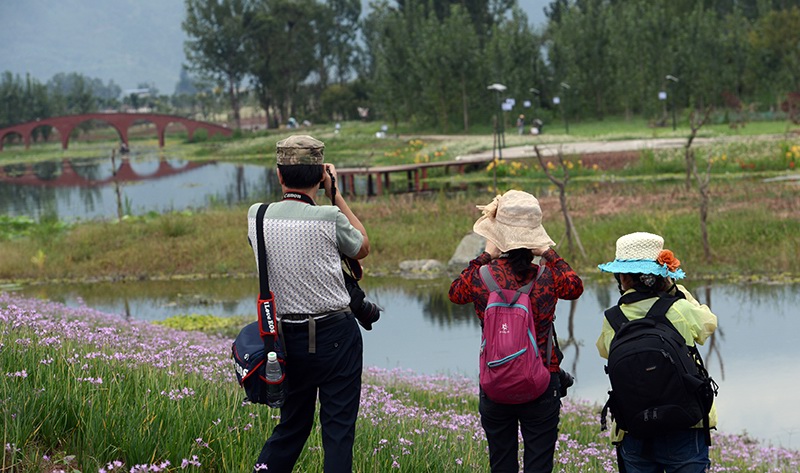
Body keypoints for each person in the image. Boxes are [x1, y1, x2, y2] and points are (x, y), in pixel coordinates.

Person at [248, 135, 370, 473]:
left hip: (286, 338)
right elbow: (362, 246)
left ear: (279, 174)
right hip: (337, 336)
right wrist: (336, 194)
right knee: (338, 432)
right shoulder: (330, 217)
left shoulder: (256, 217)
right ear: (321, 175)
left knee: (292, 427)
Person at [449, 190, 584, 473]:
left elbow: (455, 293)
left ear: (499, 236)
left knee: (501, 463)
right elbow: (575, 287)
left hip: (496, 382)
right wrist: (548, 252)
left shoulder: (481, 277)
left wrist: (484, 256)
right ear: (535, 237)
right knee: (539, 464)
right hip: (542, 379)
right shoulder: (547, 277)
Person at [596, 232, 718, 473]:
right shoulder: (679, 308)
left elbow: (605, 352)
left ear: (622, 278)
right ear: (662, 274)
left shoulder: (612, 318)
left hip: (634, 427)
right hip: (685, 424)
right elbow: (708, 325)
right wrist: (678, 290)